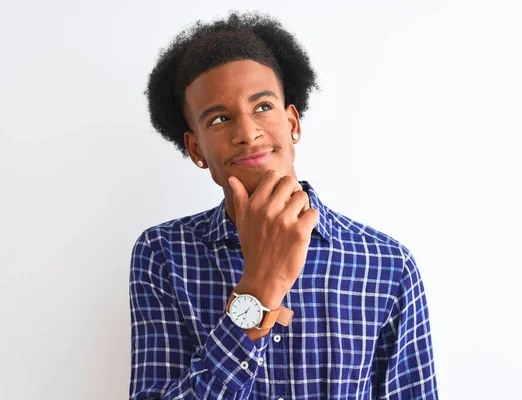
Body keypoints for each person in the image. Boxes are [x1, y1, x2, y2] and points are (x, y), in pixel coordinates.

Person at [128, 10, 438, 400]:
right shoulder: (163, 254)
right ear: (196, 149)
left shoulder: (387, 265)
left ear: (292, 123)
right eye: (220, 119)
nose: (247, 132)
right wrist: (259, 287)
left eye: (262, 107)